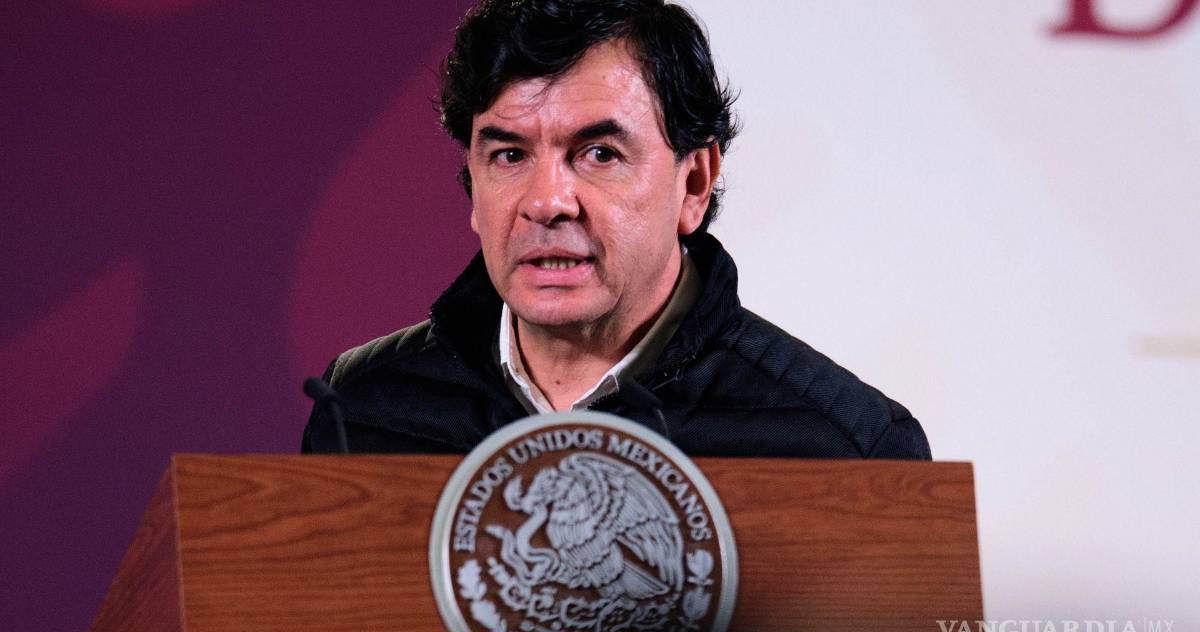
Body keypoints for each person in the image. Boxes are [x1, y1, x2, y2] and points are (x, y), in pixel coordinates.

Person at [302, 0, 931, 460]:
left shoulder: (845, 444)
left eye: (599, 154)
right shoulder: (360, 407)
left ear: (694, 182)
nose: (546, 202)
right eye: (510, 155)